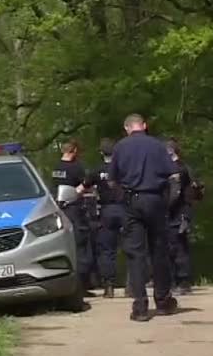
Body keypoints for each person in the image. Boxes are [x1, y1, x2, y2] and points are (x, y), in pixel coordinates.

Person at [110, 113, 179, 321]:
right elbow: (174, 176)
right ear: (145, 126)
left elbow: (112, 180)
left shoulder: (120, 147)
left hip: (132, 201)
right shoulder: (157, 145)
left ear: (127, 128)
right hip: (156, 199)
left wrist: (123, 197)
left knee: (136, 254)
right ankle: (163, 300)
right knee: (159, 251)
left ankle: (140, 306)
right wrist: (169, 201)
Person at [51, 139, 96, 295]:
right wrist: (81, 189)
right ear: (74, 151)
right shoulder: (76, 168)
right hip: (75, 210)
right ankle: (83, 285)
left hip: (59, 211)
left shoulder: (56, 168)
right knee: (81, 246)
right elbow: (86, 184)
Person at [92, 138, 126, 299]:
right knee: (133, 247)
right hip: (125, 210)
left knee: (106, 250)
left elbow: (82, 187)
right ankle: (134, 285)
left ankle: (109, 285)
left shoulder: (96, 170)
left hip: (106, 211)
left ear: (101, 153)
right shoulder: (123, 169)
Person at [165, 138, 196, 295]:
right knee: (174, 247)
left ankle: (183, 281)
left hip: (178, 214)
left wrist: (164, 207)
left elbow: (175, 193)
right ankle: (176, 281)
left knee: (178, 248)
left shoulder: (178, 169)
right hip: (178, 213)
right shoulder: (183, 167)